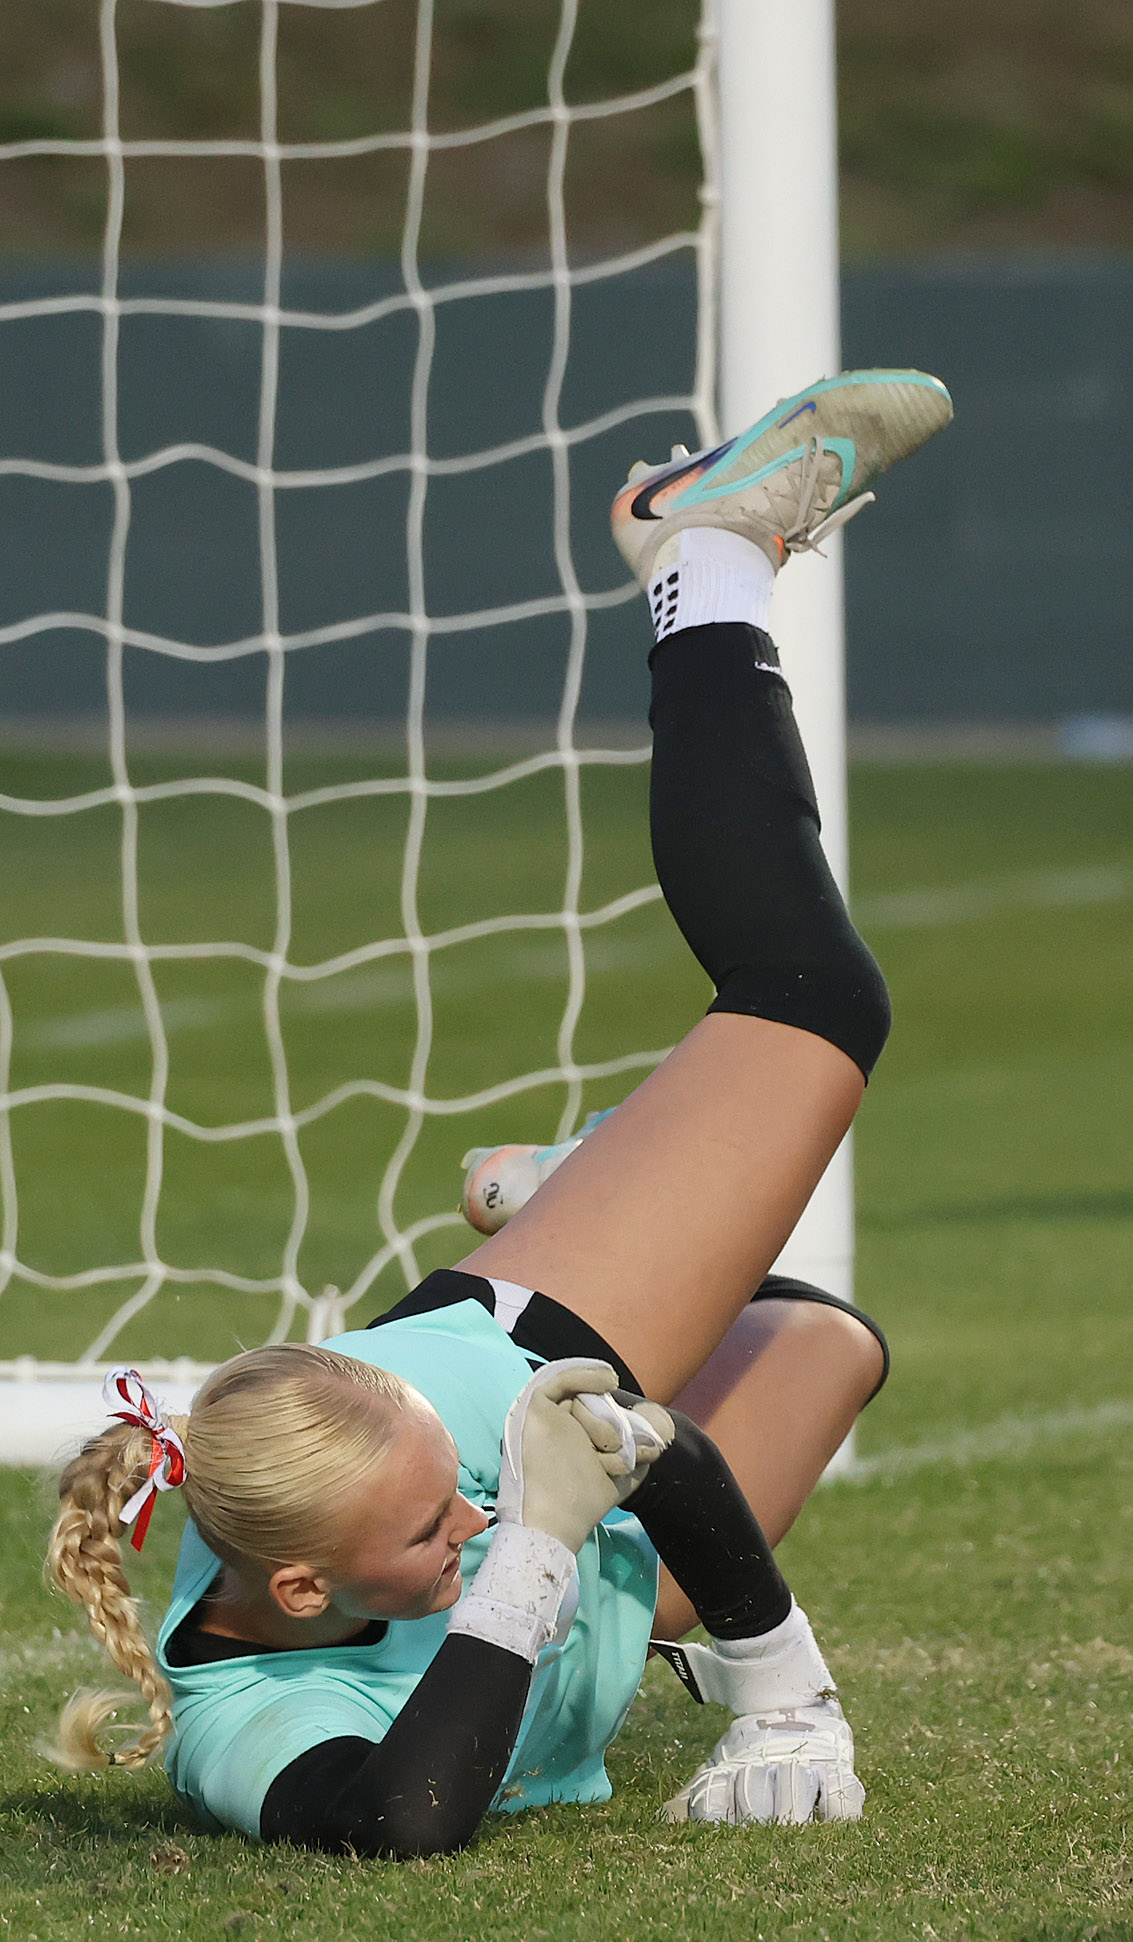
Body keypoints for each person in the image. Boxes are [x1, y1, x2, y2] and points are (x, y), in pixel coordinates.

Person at [43, 368, 954, 1856]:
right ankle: (588, 1181)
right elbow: (399, 1820)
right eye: (435, 1529)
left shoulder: (457, 1433)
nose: (469, 1515)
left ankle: (702, 560)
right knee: (826, 1349)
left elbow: (619, 1443)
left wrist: (781, 1692)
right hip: (598, 1548)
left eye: (459, 1505)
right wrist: (539, 1544)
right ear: (302, 1596)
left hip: (522, 1331)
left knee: (809, 999)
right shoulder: (245, 1726)